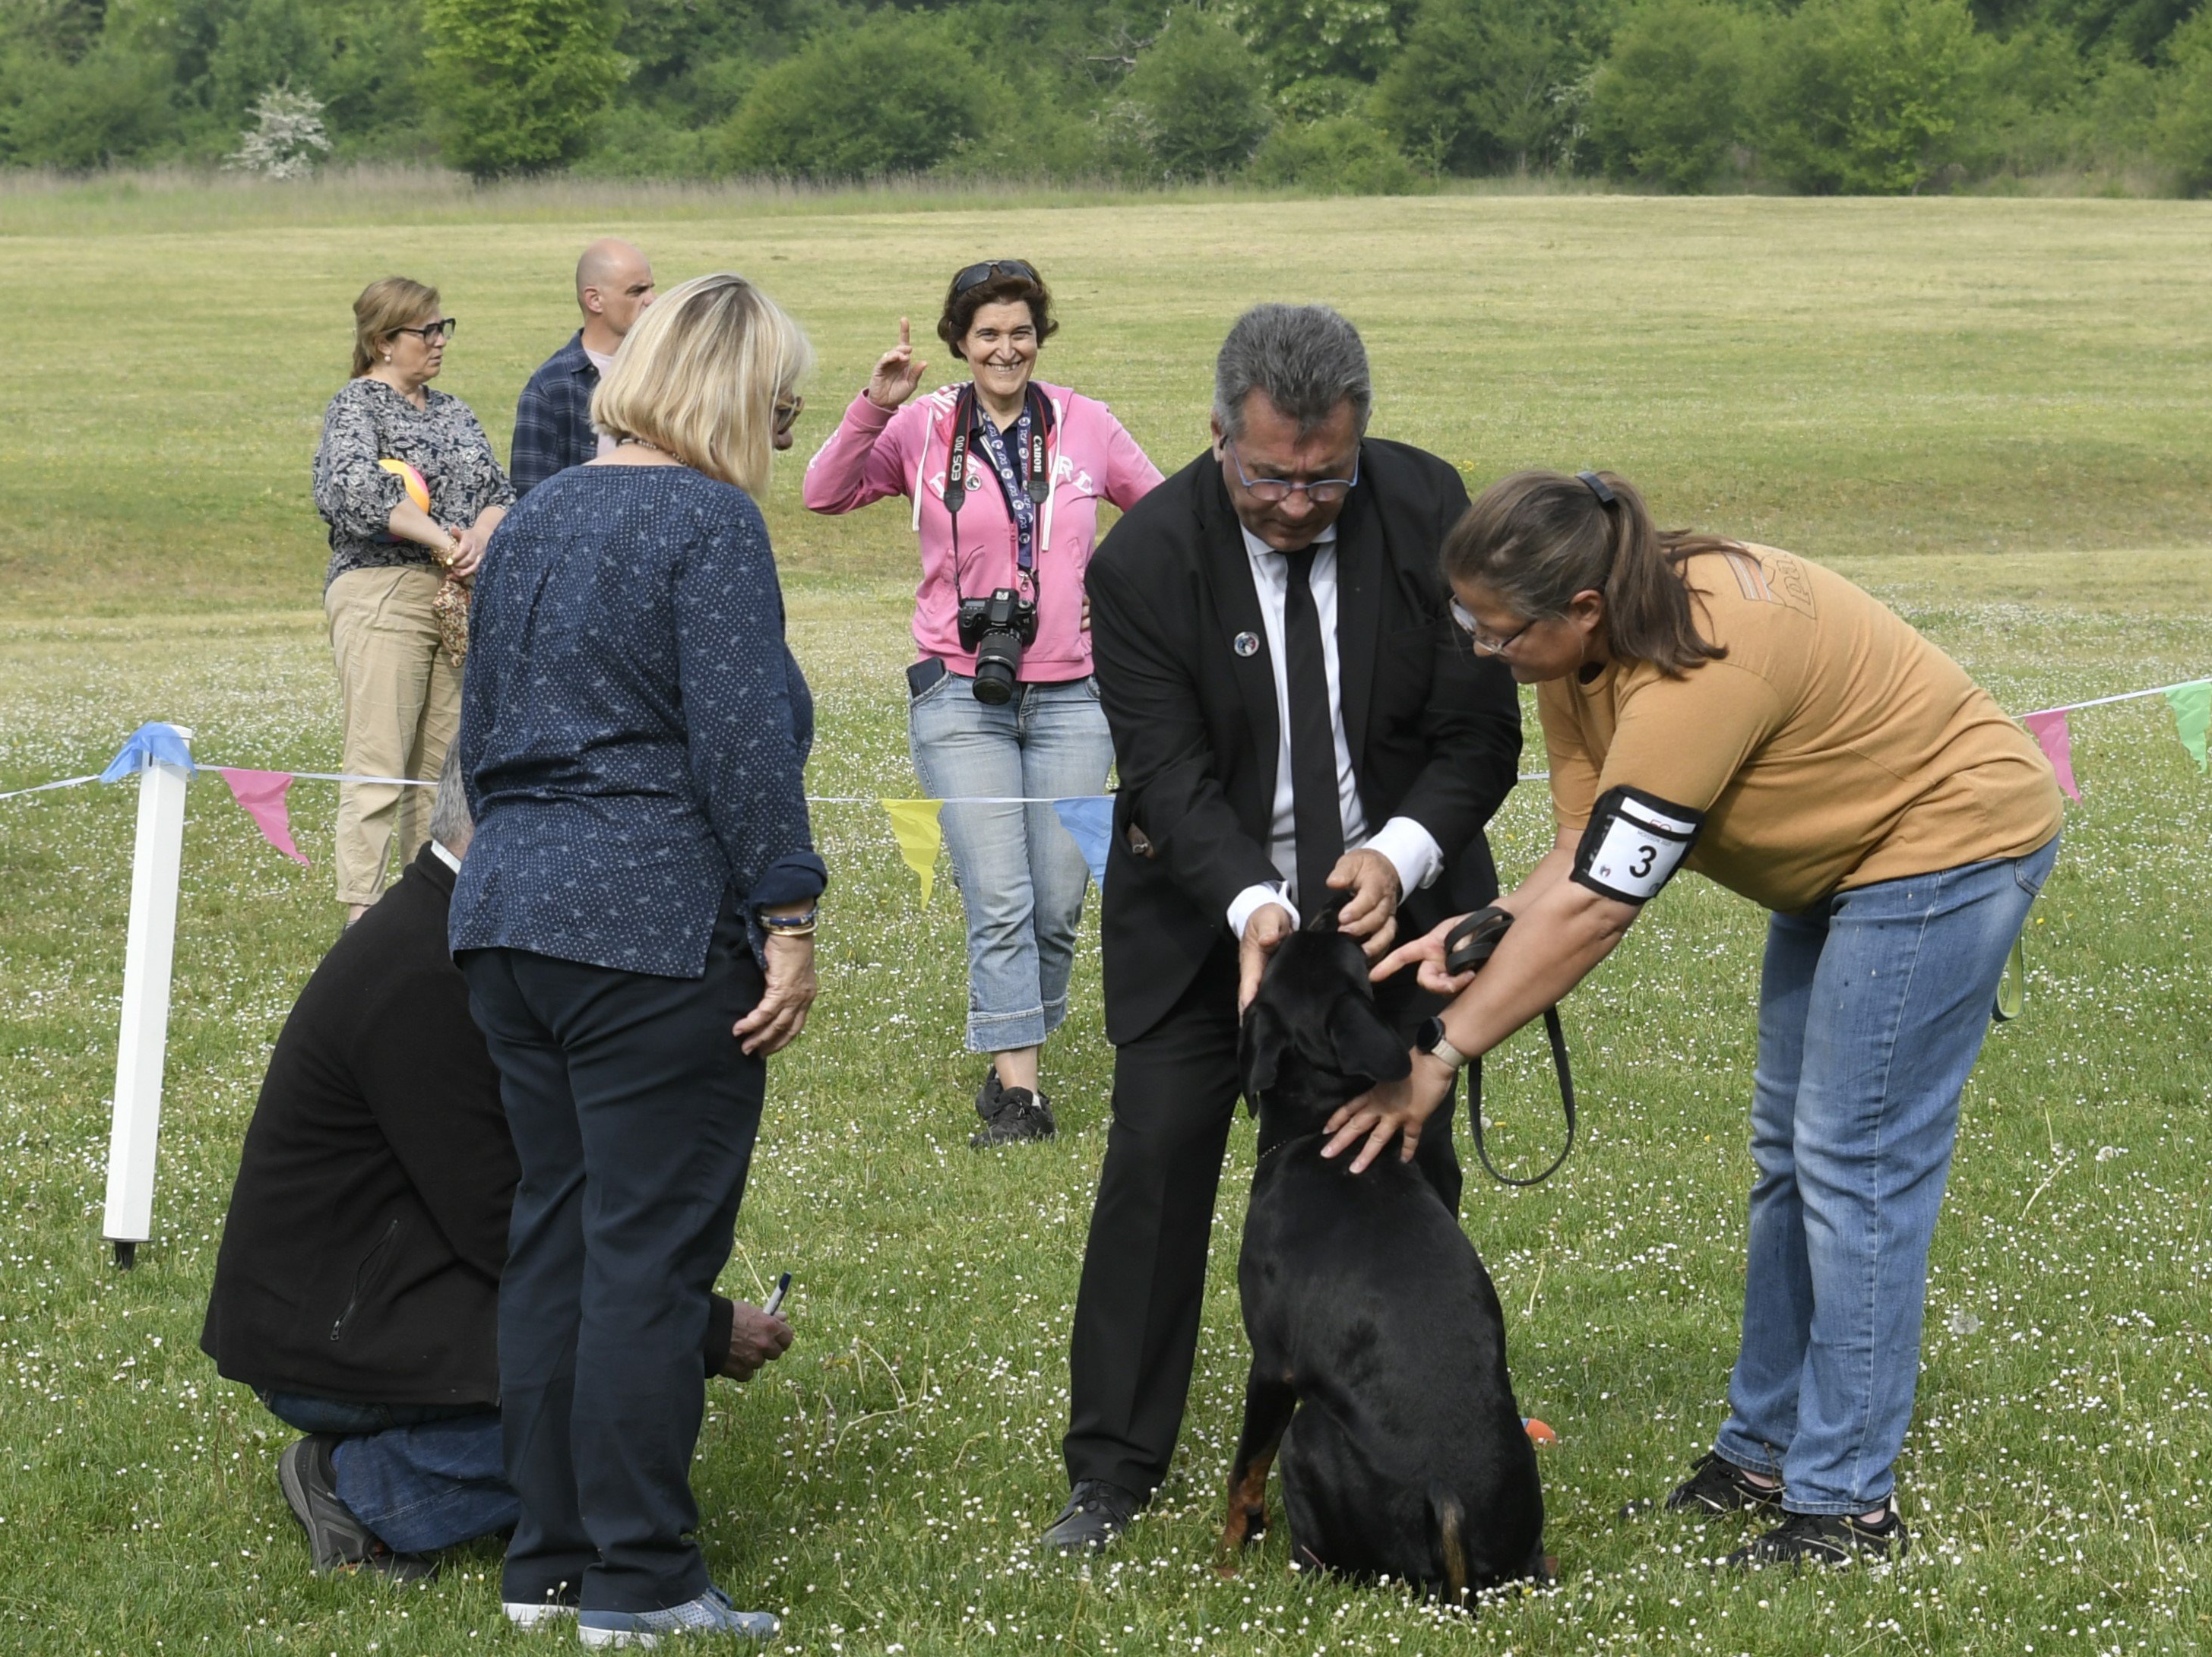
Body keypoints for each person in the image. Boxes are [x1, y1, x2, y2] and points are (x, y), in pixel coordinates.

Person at [1323, 469, 2065, 1570]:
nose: (1480, 650)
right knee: (1790, 1157)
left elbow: (1601, 906)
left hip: (1946, 845)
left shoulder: (1697, 664)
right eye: (1465, 623)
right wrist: (1487, 924)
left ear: (1579, 608)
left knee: (1853, 1162)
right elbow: (1580, 848)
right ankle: (1760, 1453)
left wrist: (1440, 1051)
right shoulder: (1579, 653)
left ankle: (1845, 1506)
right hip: (1839, 862)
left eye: (1496, 632)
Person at [1043, 303, 1522, 1553]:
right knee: (1157, 1168)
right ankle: (1110, 1471)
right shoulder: (1144, 562)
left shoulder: (1429, 511)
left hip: (1389, 924)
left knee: (1394, 1171)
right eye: (1269, 477)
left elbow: (1479, 737)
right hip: (1207, 919)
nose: (1300, 503)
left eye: (1327, 477)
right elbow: (1166, 773)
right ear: (1216, 435)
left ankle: (1413, 1434)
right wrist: (1256, 904)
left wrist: (1396, 853)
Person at [449, 272, 821, 1649]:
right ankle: (643, 1579)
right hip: (651, 928)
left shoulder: (533, 515)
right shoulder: (707, 523)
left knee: (555, 1239)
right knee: (648, 1258)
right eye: (782, 405)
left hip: (507, 917)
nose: (785, 433)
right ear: (734, 395)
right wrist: (789, 915)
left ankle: (547, 1563)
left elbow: (480, 731)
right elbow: (741, 740)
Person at [198, 754, 794, 1587]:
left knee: (629, 1371)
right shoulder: (420, 967)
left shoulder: (458, 935)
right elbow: (502, 1215)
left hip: (387, 1286)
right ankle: (359, 1482)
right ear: (503, 822)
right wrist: (695, 1327)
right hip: (332, 1328)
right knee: (616, 1394)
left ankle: (417, 1459)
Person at [804, 261, 1163, 1146]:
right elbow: (823, 491)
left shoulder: (1084, 422)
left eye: (1021, 332)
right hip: (960, 693)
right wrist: (874, 404)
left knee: (1057, 903)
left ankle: (1013, 1041)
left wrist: (1111, 592)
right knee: (1001, 897)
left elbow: (1166, 518)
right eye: (988, 334)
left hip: (1074, 695)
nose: (1007, 349)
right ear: (960, 343)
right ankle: (1019, 1094)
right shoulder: (923, 427)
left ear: (1040, 337)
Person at [312, 277, 514, 920]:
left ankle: (429, 921)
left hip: (456, 599)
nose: (439, 341)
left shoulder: (454, 411)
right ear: (382, 341)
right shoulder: (356, 406)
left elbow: (499, 492)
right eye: (425, 331)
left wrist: (479, 537)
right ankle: (362, 921)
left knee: (442, 772)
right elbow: (353, 490)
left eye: (442, 327)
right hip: (383, 590)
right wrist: (441, 539)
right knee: (379, 761)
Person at [510, 239, 657, 497]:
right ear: (595, 300)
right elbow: (531, 499)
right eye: (636, 292)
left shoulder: (664, 370)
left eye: (651, 289)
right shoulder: (551, 387)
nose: (652, 300)